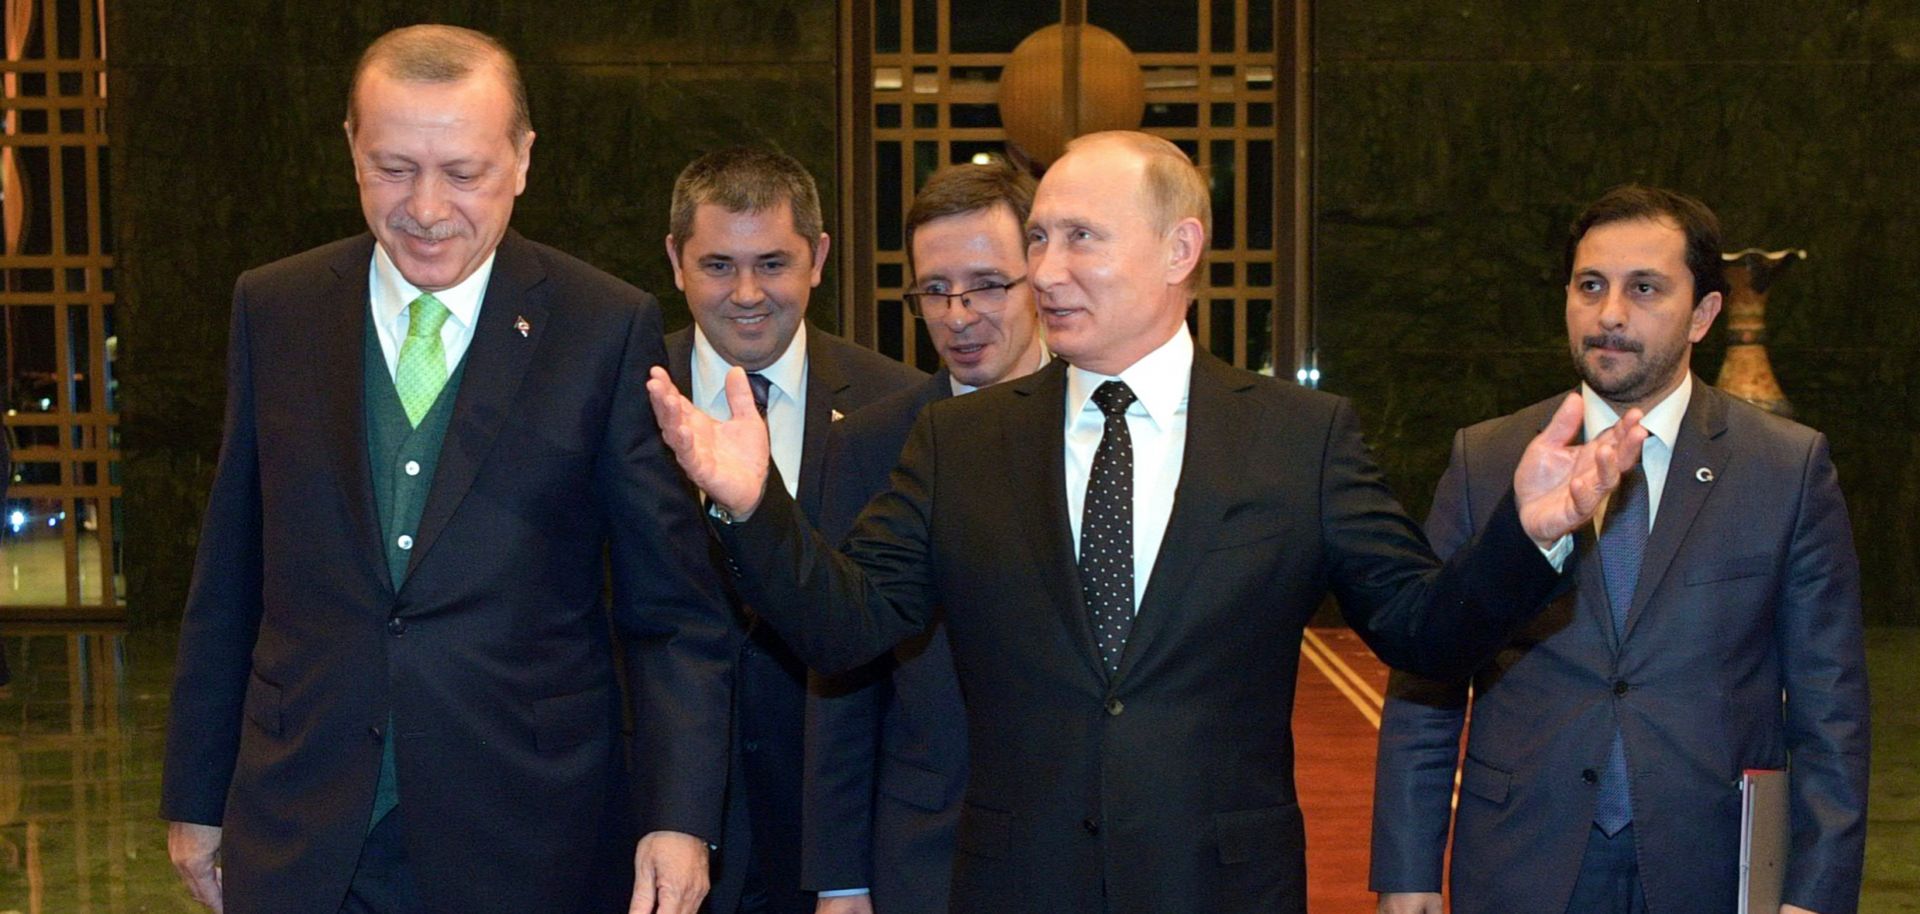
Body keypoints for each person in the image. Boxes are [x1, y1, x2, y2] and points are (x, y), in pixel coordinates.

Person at [646, 130, 1646, 913]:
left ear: (1180, 247)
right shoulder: (965, 443)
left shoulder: (1301, 438)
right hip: (1012, 885)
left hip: (1219, 884)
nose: (1046, 267)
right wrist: (752, 505)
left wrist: (1532, 532)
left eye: (1080, 236)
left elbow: (1423, 628)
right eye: (1038, 237)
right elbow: (845, 623)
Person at [160, 25, 734, 914]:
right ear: (351, 147)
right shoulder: (274, 308)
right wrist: (196, 797)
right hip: (301, 824)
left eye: (463, 172)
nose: (426, 208)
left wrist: (679, 817)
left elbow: (671, 618)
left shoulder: (601, 327)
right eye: (394, 168)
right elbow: (229, 574)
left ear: (523, 158)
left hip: (529, 831)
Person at [1370, 185, 1868, 914]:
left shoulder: (1785, 469)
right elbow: (1427, 676)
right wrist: (1408, 872)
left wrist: (1815, 894)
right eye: (1590, 285)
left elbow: (1831, 708)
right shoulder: (1488, 458)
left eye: (1644, 289)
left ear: (1703, 314)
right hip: (1522, 858)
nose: (1610, 314)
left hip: (1710, 862)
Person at [659, 146, 924, 914]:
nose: (747, 294)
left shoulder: (901, 407)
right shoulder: (621, 390)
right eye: (718, 265)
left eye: (773, 263)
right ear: (676, 261)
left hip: (832, 827)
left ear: (819, 260)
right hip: (660, 819)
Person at [805, 162, 1048, 914]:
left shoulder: (1104, 424)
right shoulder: (875, 443)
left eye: (985, 284)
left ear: (1040, 274)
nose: (958, 314)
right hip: (926, 851)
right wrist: (841, 880)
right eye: (934, 290)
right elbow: (844, 672)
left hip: (1081, 842)